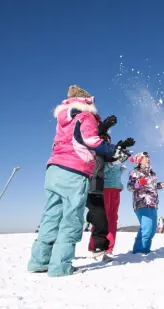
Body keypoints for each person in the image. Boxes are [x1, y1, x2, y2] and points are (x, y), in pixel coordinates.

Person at [27, 85, 130, 277]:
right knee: (72, 218)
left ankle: (39, 260)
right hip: (74, 171)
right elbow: (91, 140)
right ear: (87, 101)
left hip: (53, 169)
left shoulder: (64, 119)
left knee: (51, 216)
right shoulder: (85, 116)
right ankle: (60, 266)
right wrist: (114, 151)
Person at [87, 125, 135, 261]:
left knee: (113, 219)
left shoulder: (111, 153)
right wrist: (116, 163)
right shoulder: (99, 153)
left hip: (115, 189)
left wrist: (120, 169)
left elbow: (112, 168)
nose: (107, 142)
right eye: (104, 139)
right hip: (104, 188)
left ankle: (109, 248)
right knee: (102, 219)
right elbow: (100, 170)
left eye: (108, 140)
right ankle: (97, 246)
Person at [127, 152, 164, 254]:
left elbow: (154, 186)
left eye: (148, 157)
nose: (148, 159)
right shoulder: (135, 172)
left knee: (152, 229)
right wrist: (139, 183)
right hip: (142, 203)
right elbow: (130, 187)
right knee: (147, 228)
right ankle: (140, 251)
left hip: (153, 204)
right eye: (145, 158)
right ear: (140, 161)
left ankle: (144, 249)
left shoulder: (152, 174)